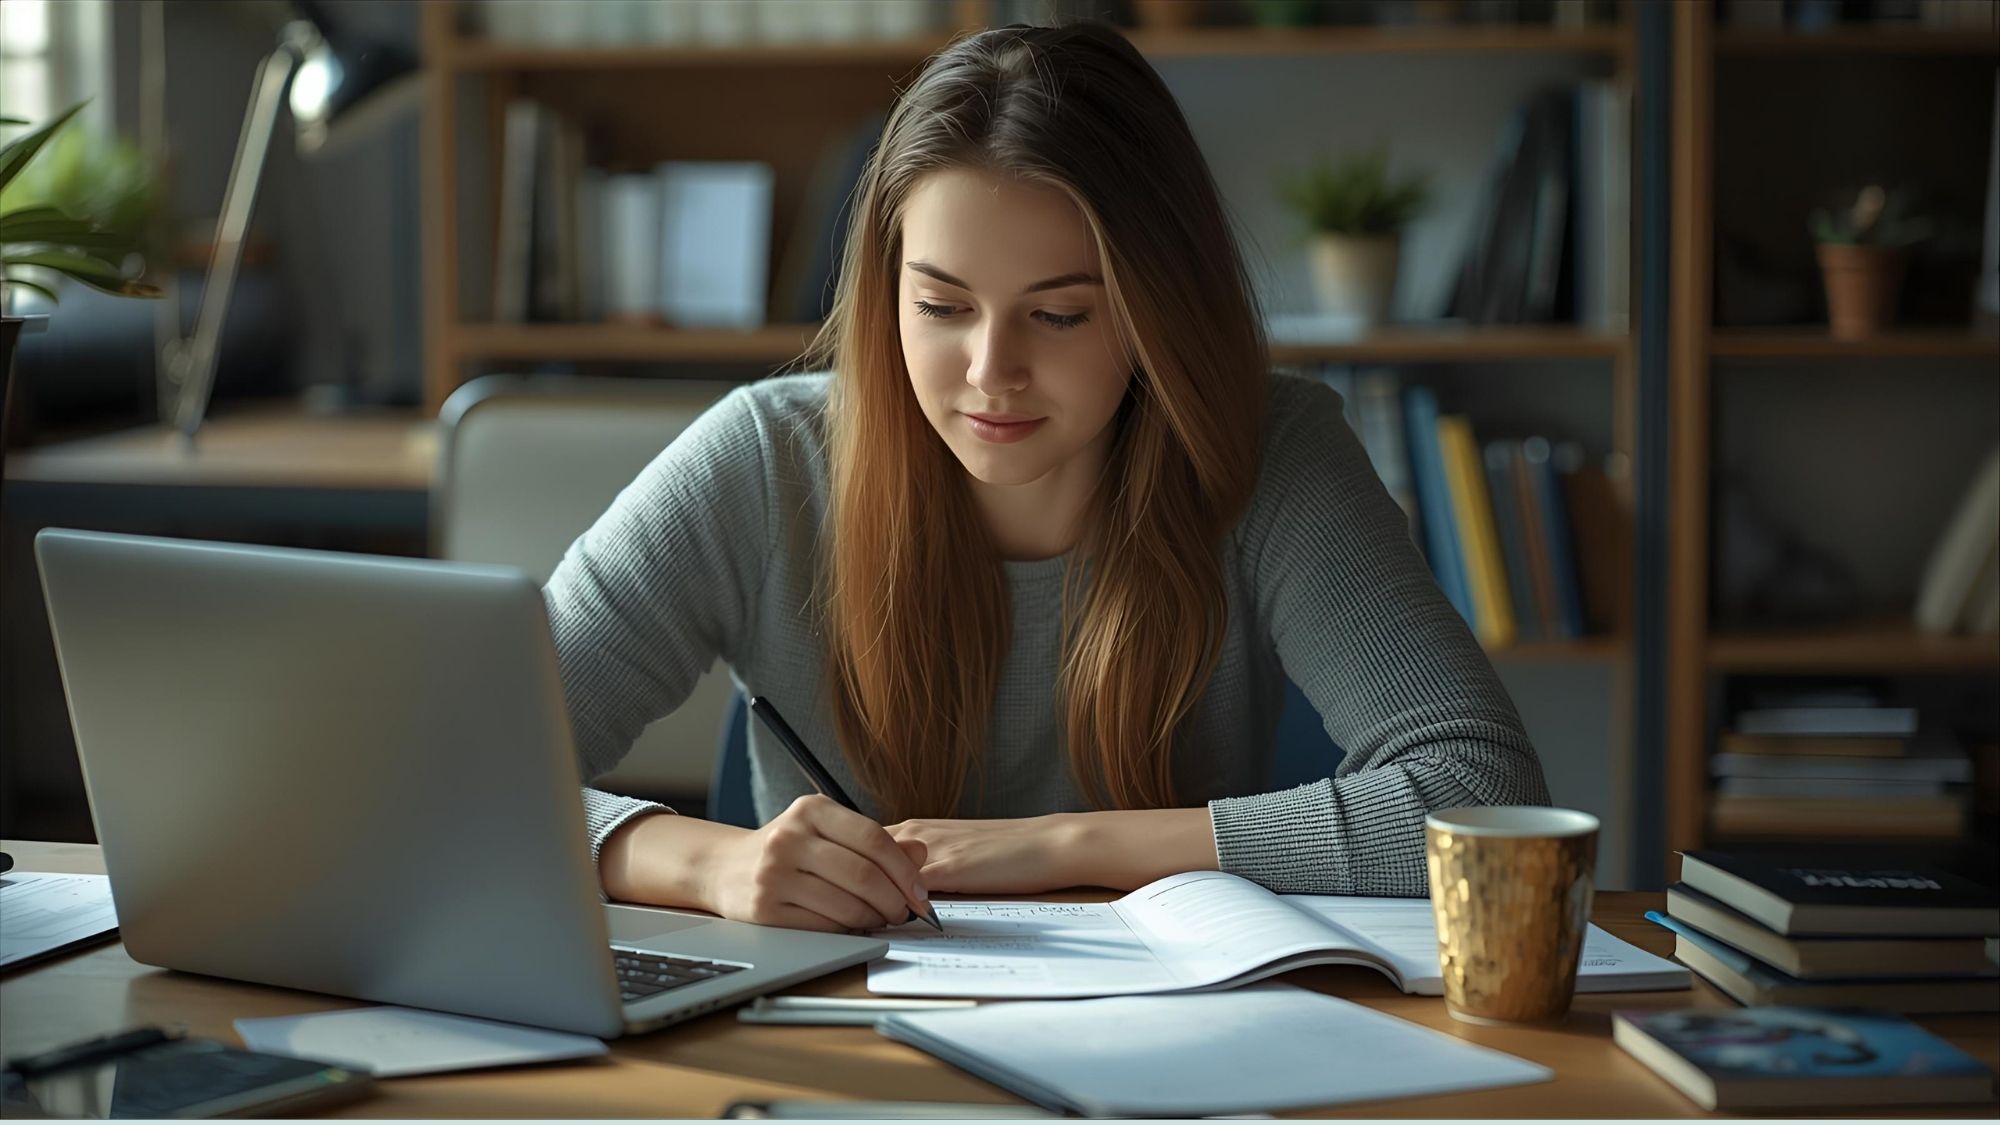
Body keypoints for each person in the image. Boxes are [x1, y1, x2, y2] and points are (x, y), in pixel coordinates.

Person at [549, 20, 1549, 934]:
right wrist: (709, 866)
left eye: (1060, 314)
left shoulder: (1269, 450)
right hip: (847, 1038)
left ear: (1156, 308)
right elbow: (456, 766)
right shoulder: (762, 459)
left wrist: (1073, 844)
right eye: (941, 307)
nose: (990, 372)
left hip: (1185, 1044)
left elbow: (1477, 793)